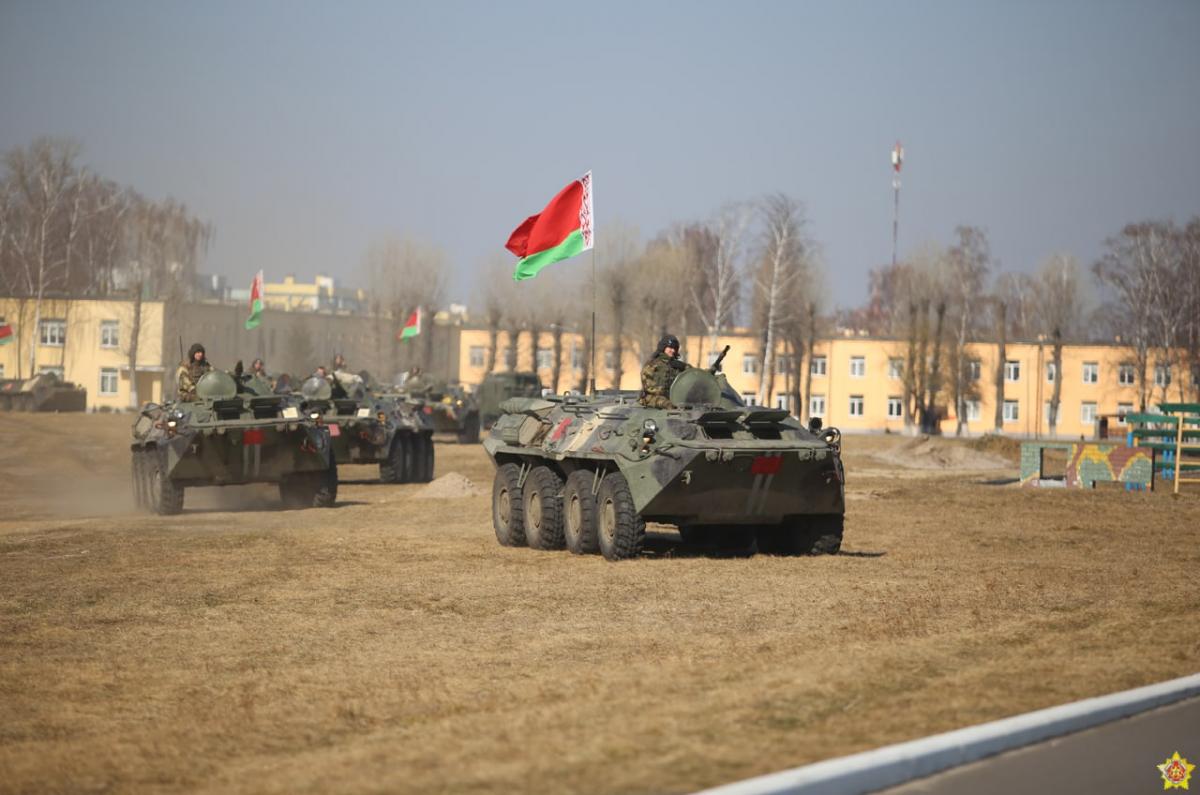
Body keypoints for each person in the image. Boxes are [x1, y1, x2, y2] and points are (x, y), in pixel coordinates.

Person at [640, 334, 689, 409]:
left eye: (675, 348)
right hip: (652, 398)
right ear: (663, 347)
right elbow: (649, 388)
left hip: (674, 398)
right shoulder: (652, 365)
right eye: (670, 348)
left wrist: (684, 366)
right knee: (669, 405)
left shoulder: (678, 365)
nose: (673, 351)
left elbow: (693, 375)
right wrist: (665, 391)